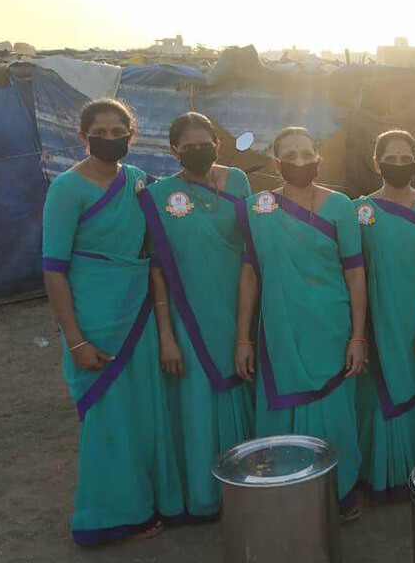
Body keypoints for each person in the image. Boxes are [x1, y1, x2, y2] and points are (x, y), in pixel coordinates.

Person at [42, 98, 182, 545]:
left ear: (131, 134)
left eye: (117, 131)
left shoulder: (139, 182)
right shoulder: (66, 189)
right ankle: (107, 518)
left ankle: (149, 501)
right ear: (83, 137)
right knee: (108, 421)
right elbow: (54, 270)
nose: (108, 138)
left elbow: (164, 236)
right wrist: (75, 341)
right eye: (98, 133)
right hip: (95, 322)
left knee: (143, 415)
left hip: (138, 314)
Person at [234, 126, 367, 520]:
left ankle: (339, 493)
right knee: (282, 411)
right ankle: (287, 496)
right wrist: (243, 339)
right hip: (281, 328)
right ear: (276, 163)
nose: (299, 161)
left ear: (318, 158)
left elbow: (355, 272)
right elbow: (250, 274)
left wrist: (358, 335)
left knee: (335, 409)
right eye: (289, 155)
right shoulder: (259, 209)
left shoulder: (340, 205)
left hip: (331, 325)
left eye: (306, 153)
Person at [138, 112, 254, 522]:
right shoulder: (158, 196)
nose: (197, 151)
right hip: (189, 320)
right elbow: (157, 269)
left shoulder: (238, 182)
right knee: (198, 406)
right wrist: (166, 336)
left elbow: (251, 250)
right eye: (187, 147)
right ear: (173, 151)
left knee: (244, 390)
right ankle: (205, 497)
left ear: (217, 145)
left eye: (204, 144)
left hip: (241, 311)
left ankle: (247, 491)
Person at [354, 129, 415, 501]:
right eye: (391, 159)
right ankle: (379, 476)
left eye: (406, 159)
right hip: (376, 317)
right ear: (376, 163)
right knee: (377, 388)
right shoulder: (359, 210)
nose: (398, 165)